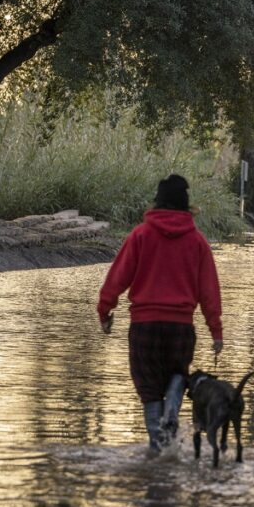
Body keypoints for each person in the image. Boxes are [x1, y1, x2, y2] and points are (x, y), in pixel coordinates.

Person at [97, 174, 223, 453]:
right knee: (177, 372)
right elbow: (209, 290)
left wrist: (105, 311)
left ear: (157, 202)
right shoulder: (198, 242)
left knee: (149, 387)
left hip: (144, 327)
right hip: (180, 328)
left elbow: (117, 277)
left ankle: (158, 450)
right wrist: (216, 331)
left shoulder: (140, 235)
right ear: (186, 206)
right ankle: (175, 398)